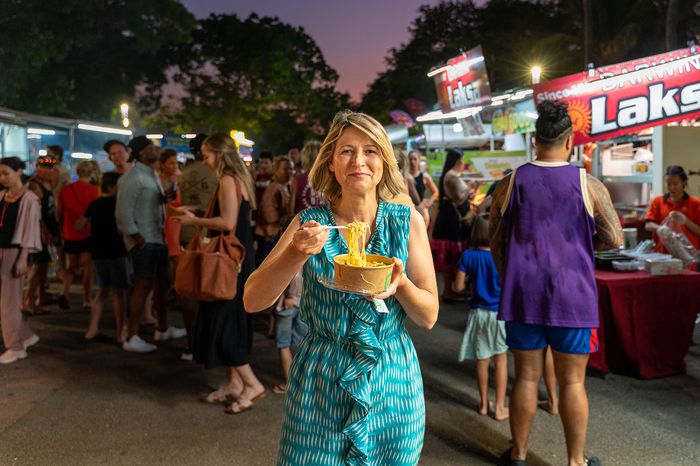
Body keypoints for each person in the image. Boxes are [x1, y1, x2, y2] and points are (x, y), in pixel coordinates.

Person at [244, 110, 439, 465]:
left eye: (370, 151)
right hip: (322, 378)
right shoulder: (309, 224)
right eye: (347, 151)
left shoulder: (407, 221)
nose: (359, 161)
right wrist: (294, 254)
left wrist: (401, 284)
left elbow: (428, 316)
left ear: (384, 161)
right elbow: (253, 300)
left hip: (391, 379)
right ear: (331, 162)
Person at [489, 100, 622, 466]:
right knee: (573, 383)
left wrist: (509, 273)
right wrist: (580, 245)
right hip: (572, 294)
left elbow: (494, 238)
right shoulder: (587, 183)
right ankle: (575, 461)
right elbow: (615, 238)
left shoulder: (511, 182)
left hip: (522, 293)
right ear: (569, 141)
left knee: (526, 378)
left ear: (535, 140)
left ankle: (517, 455)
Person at [172, 133, 265, 414]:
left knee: (223, 324)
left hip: (228, 266)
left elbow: (227, 222)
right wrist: (200, 210)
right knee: (231, 321)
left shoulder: (226, 180)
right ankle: (234, 384)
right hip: (238, 262)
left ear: (220, 154)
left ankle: (252, 384)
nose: (203, 159)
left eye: (207, 154)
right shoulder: (239, 179)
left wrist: (193, 219)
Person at [116, 136, 184, 353]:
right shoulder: (133, 177)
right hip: (145, 241)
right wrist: (138, 239)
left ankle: (162, 327)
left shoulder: (150, 174)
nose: (156, 150)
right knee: (142, 286)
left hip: (157, 238)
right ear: (142, 152)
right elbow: (123, 213)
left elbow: (161, 201)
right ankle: (132, 336)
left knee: (161, 284)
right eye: (151, 147)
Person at [452, 214, 508, 421]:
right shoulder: (503, 255)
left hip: (478, 314)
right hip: (500, 314)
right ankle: (500, 407)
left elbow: (457, 287)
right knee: (500, 361)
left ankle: (484, 404)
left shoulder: (468, 256)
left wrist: (464, 286)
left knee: (482, 359)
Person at [178, 134, 217, 359]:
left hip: (188, 235)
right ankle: (205, 345)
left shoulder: (184, 173)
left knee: (189, 290)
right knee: (208, 292)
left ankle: (192, 343)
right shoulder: (215, 173)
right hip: (209, 236)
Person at [0, 157, 42, 364]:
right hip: (3, 250)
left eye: (6, 173)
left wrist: (23, 258)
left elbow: (30, 231)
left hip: (14, 252)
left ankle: (15, 347)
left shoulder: (30, 199)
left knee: (9, 302)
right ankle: (24, 336)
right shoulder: (2, 195)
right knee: (6, 300)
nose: (2, 178)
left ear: (18, 172)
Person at [83, 172, 130, 343]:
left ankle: (92, 329)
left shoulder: (94, 204)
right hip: (116, 252)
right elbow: (122, 229)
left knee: (102, 291)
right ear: (112, 187)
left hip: (98, 253)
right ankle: (120, 333)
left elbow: (80, 223)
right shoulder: (119, 205)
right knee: (120, 294)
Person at [58, 160, 100, 310]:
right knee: (88, 268)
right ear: (92, 173)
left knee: (72, 266)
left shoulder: (66, 189)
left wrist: (62, 230)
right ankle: (87, 299)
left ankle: (65, 292)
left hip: (69, 232)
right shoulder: (95, 191)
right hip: (88, 234)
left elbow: (60, 212)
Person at [431, 149, 470, 302]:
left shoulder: (450, 176)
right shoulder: (451, 177)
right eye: (461, 161)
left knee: (450, 257)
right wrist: (471, 189)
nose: (463, 163)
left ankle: (451, 290)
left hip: (448, 220)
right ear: (456, 161)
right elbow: (459, 198)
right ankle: (448, 291)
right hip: (450, 222)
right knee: (450, 256)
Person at [24, 156, 60, 314]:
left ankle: (41, 296)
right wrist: (42, 230)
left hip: (49, 231)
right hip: (39, 232)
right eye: (43, 167)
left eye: (50, 168)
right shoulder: (33, 185)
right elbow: (34, 212)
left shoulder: (48, 184)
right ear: (37, 167)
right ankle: (29, 302)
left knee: (44, 266)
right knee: (36, 267)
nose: (47, 170)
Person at [644, 165, 700, 253]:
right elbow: (648, 225)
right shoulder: (658, 201)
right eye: (668, 184)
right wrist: (661, 229)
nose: (672, 188)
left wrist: (686, 221)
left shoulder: (695, 203)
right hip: (661, 255)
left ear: (684, 183)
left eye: (675, 184)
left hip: (688, 256)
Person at [256, 155, 294, 265]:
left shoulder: (284, 187)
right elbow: (268, 214)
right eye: (285, 169)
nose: (289, 172)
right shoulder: (274, 187)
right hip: (270, 236)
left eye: (291, 168)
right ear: (276, 170)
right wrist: (286, 219)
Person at [289, 140, 323, 214]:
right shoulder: (331, 178)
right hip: (328, 223)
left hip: (303, 222)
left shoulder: (297, 179)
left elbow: (291, 208)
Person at [408, 150, 438, 224]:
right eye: (410, 159)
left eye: (415, 159)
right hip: (407, 210)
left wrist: (429, 203)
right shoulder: (404, 176)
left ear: (419, 160)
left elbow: (436, 192)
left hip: (420, 210)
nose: (412, 161)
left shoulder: (424, 176)